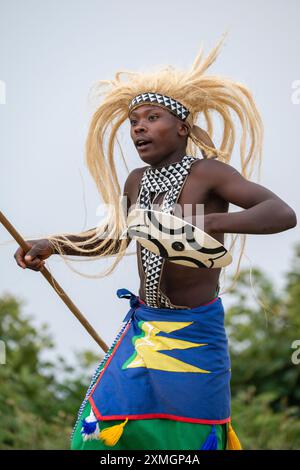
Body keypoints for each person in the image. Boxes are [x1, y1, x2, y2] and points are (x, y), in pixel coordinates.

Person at [14, 34, 297, 450]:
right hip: (145, 329)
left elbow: (282, 213)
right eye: (134, 121)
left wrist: (204, 221)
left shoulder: (209, 173)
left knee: (190, 440)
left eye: (151, 117)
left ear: (182, 127)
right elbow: (115, 238)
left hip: (195, 333)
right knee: (100, 434)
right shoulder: (136, 181)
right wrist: (54, 244)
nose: (139, 127)